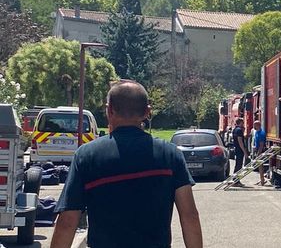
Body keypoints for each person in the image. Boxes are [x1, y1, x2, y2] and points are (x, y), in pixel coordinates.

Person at [50, 80, 203, 248]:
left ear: (109, 110)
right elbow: (189, 216)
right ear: (147, 112)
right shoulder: (170, 154)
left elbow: (67, 222)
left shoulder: (86, 156)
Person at [251, 120, 267, 186]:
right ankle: (261, 180)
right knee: (259, 166)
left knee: (260, 166)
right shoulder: (256, 132)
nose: (253, 126)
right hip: (257, 150)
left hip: (261, 150)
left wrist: (258, 153)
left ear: (258, 125)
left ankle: (262, 181)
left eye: (254, 125)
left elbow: (261, 144)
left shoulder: (261, 133)